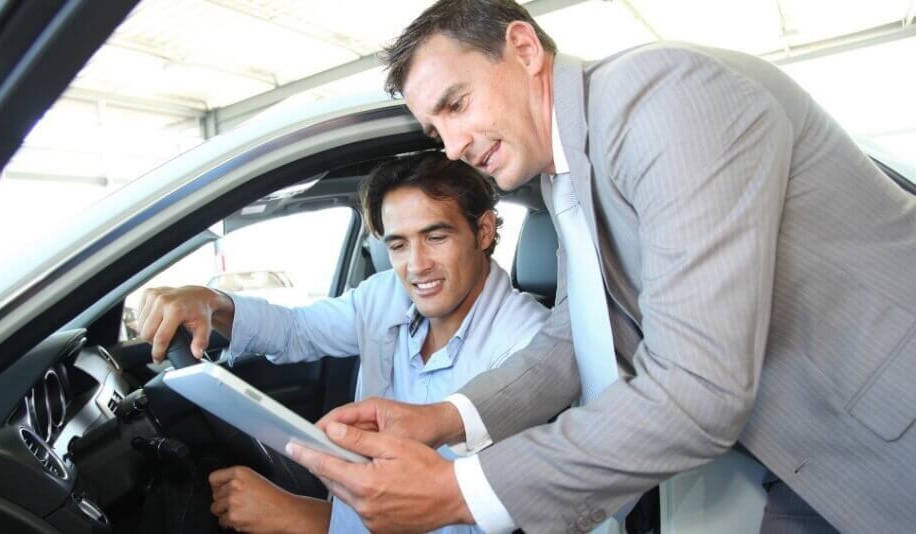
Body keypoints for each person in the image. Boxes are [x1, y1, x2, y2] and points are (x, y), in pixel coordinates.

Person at [284, 1, 916, 533]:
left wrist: (460, 490)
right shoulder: (566, 173)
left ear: (524, 49)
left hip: (889, 430)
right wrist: (442, 419)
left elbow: (699, 389)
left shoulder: (662, 101)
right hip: (806, 451)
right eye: (435, 130)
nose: (453, 147)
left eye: (456, 104)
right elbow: (573, 337)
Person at [137, 151, 550, 533]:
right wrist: (214, 303)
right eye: (399, 245)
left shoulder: (529, 344)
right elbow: (297, 330)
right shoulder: (386, 294)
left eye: (436, 237)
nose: (416, 266)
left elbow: (477, 514)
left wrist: (305, 518)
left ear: (483, 231)